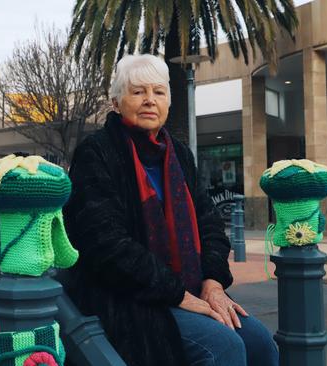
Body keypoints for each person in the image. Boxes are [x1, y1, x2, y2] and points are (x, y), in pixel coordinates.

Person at [62, 54, 278, 366]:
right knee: (224, 348)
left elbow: (210, 225)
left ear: (168, 101)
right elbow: (105, 245)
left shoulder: (178, 154)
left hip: (187, 290)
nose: (149, 100)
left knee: (260, 344)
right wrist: (176, 293)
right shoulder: (96, 153)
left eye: (159, 92)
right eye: (137, 92)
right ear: (115, 102)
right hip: (127, 299)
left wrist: (213, 282)